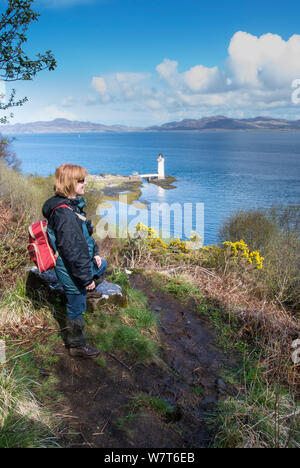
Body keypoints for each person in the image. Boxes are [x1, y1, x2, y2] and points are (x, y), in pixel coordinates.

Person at [42, 163, 107, 358]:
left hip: (78, 262)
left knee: (102, 264)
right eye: (81, 180)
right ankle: (76, 345)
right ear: (70, 183)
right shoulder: (64, 214)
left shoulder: (71, 205)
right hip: (69, 266)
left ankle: (86, 289)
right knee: (76, 306)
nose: (85, 183)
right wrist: (86, 279)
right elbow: (73, 253)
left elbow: (85, 235)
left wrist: (95, 252)